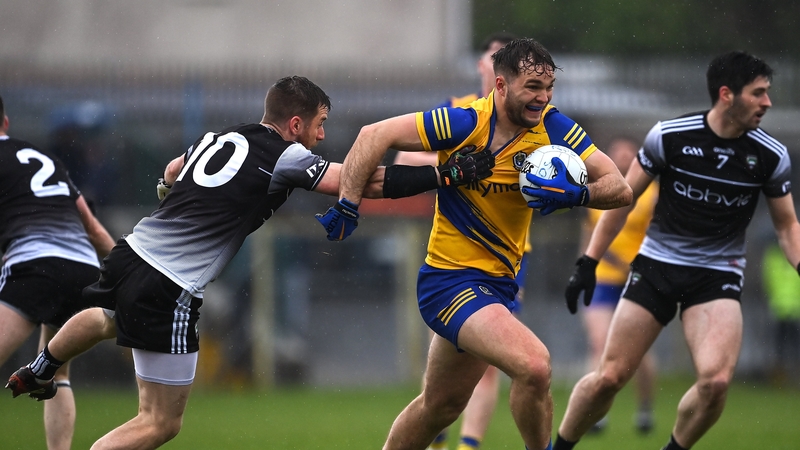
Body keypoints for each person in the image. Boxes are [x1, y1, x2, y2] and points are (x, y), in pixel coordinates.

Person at [5, 75, 494, 449]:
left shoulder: (220, 135)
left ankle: (44, 364)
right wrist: (444, 174)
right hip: (170, 284)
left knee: (109, 316)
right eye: (320, 125)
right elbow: (360, 181)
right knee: (160, 422)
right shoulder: (284, 154)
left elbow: (175, 169)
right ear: (296, 124)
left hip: (130, 253)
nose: (322, 137)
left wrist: (168, 193)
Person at [323, 38, 632, 450]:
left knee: (440, 407)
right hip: (450, 282)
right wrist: (347, 202)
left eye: (548, 88)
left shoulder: (554, 128)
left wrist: (577, 195)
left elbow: (619, 187)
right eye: (532, 88)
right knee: (535, 366)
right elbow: (372, 135)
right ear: (501, 86)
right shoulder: (464, 123)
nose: (543, 98)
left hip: (497, 286)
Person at [555, 51, 800, 450]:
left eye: (767, 94)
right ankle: (560, 446)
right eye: (758, 94)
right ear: (726, 95)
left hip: (717, 276)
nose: (767, 103)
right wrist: (588, 261)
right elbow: (624, 199)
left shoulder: (770, 155)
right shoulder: (670, 136)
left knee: (716, 382)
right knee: (610, 376)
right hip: (657, 268)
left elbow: (788, 226)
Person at [395, 31, 520, 450]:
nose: (498, 62)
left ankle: (467, 445)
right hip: (453, 256)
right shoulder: (457, 112)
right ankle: (438, 434)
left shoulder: (533, 122)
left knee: (488, 363)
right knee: (444, 363)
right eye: (492, 55)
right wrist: (453, 164)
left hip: (505, 261)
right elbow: (402, 159)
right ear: (483, 67)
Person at [0, 94, 116, 450]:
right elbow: (94, 229)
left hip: (34, 267)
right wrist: (128, 276)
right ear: (5, 122)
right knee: (55, 372)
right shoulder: (46, 159)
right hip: (83, 269)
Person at [577, 136, 659, 435]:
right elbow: (590, 236)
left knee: (637, 352)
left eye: (628, 153)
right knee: (599, 343)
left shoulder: (651, 195)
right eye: (617, 153)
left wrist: (638, 267)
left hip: (636, 278)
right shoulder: (599, 192)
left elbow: (657, 235)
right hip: (603, 279)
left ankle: (645, 409)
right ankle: (594, 415)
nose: (622, 158)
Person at [761, 240, 800, 384]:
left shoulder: (774, 257)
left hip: (792, 309)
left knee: (790, 346)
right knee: (780, 346)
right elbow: (768, 281)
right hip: (779, 309)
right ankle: (780, 376)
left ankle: (791, 375)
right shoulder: (774, 257)